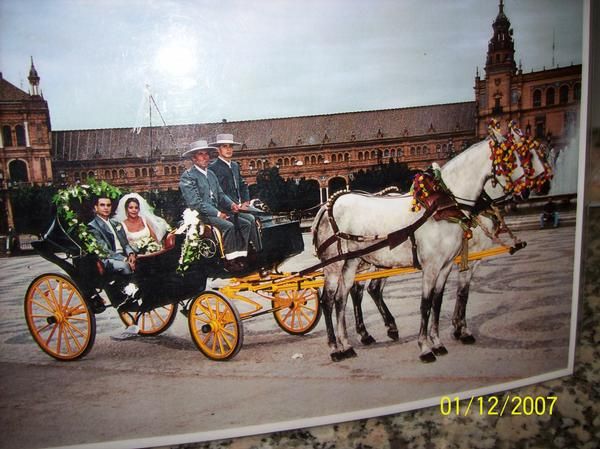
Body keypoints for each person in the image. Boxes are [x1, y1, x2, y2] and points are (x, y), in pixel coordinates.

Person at [179, 139, 259, 272]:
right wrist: (217, 213)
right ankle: (229, 261)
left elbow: (221, 195)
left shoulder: (210, 174)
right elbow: (196, 203)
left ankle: (242, 255)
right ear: (193, 158)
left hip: (217, 212)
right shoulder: (188, 177)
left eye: (207, 154)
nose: (205, 157)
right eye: (201, 154)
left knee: (245, 223)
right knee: (228, 226)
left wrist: (232, 204)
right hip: (202, 215)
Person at [87, 196, 139, 340]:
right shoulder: (93, 226)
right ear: (96, 208)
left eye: (108, 205)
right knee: (124, 267)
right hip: (108, 260)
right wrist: (123, 259)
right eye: (102, 205)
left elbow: (125, 243)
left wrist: (130, 254)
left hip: (122, 255)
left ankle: (139, 293)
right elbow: (103, 250)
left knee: (145, 262)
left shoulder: (116, 223)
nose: (106, 208)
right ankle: (127, 300)